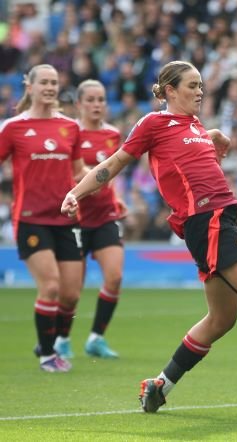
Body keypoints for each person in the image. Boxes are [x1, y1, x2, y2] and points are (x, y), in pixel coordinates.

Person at [61, 60, 237, 413]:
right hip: (209, 221)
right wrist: (77, 192)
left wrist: (214, 137)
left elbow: (195, 148)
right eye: (192, 86)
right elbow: (114, 163)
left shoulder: (194, 125)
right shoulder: (154, 123)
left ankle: (159, 385)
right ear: (169, 90)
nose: (200, 91)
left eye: (201, 85)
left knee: (221, 319)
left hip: (213, 222)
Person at [0, 64, 87, 372]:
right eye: (44, 83)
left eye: (54, 82)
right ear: (31, 87)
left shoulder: (70, 127)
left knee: (71, 294)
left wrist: (99, 179)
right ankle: (48, 354)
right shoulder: (13, 128)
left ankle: (49, 340)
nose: (50, 87)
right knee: (50, 286)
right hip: (30, 219)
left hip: (65, 217)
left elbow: (78, 172)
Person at [74, 79, 125, 358]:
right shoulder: (70, 133)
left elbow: (112, 172)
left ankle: (96, 337)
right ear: (79, 104)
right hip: (76, 218)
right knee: (72, 287)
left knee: (115, 276)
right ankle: (59, 339)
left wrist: (116, 197)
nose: (97, 105)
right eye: (91, 100)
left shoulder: (112, 134)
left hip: (105, 215)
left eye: (101, 99)